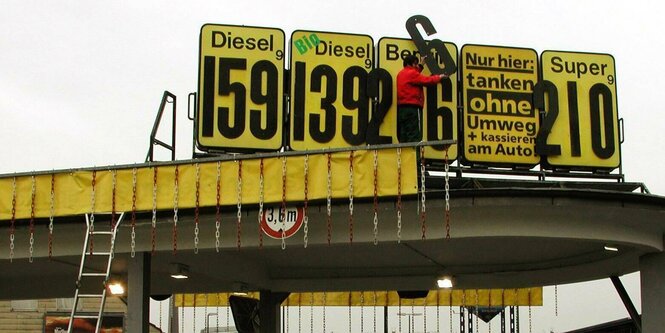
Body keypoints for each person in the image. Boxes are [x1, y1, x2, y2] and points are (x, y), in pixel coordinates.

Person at [396, 54, 448, 144]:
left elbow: (415, 74)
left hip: (402, 109)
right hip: (413, 108)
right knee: (414, 135)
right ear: (411, 64)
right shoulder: (412, 74)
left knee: (404, 135)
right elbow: (426, 80)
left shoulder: (401, 74)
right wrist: (440, 77)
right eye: (415, 64)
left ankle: (405, 157)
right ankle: (415, 156)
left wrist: (421, 64)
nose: (417, 66)